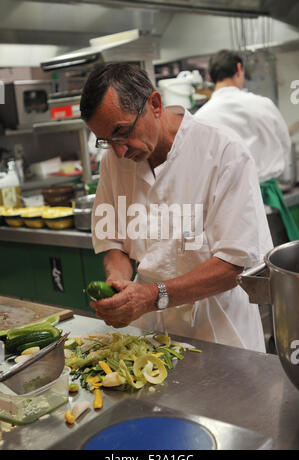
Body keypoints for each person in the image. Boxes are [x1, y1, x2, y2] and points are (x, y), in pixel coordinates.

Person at [80, 63, 273, 353]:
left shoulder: (223, 152)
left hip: (220, 335)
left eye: (122, 132)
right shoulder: (115, 161)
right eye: (107, 141)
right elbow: (114, 242)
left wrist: (150, 296)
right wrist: (119, 286)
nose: (119, 150)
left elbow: (233, 265)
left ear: (155, 104)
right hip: (151, 336)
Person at [195, 50, 299, 242]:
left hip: (228, 215)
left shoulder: (200, 119)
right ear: (239, 69)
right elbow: (285, 144)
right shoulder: (263, 105)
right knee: (278, 266)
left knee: (245, 270)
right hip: (269, 207)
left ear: (210, 76)